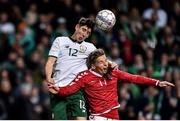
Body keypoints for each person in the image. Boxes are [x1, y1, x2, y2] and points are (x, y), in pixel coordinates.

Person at [48, 49, 175, 120]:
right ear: (93, 66)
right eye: (101, 62)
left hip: (115, 115)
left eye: (105, 61)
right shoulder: (84, 77)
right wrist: (58, 91)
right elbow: (70, 89)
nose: (105, 64)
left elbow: (134, 78)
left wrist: (157, 82)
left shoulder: (113, 72)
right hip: (98, 117)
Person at [45, 17, 117, 120]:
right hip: (58, 88)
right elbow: (50, 62)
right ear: (77, 27)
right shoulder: (60, 41)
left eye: (88, 33)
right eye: (83, 29)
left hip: (76, 90)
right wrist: (48, 78)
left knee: (81, 119)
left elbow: (101, 60)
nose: (84, 34)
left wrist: (111, 64)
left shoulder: (90, 47)